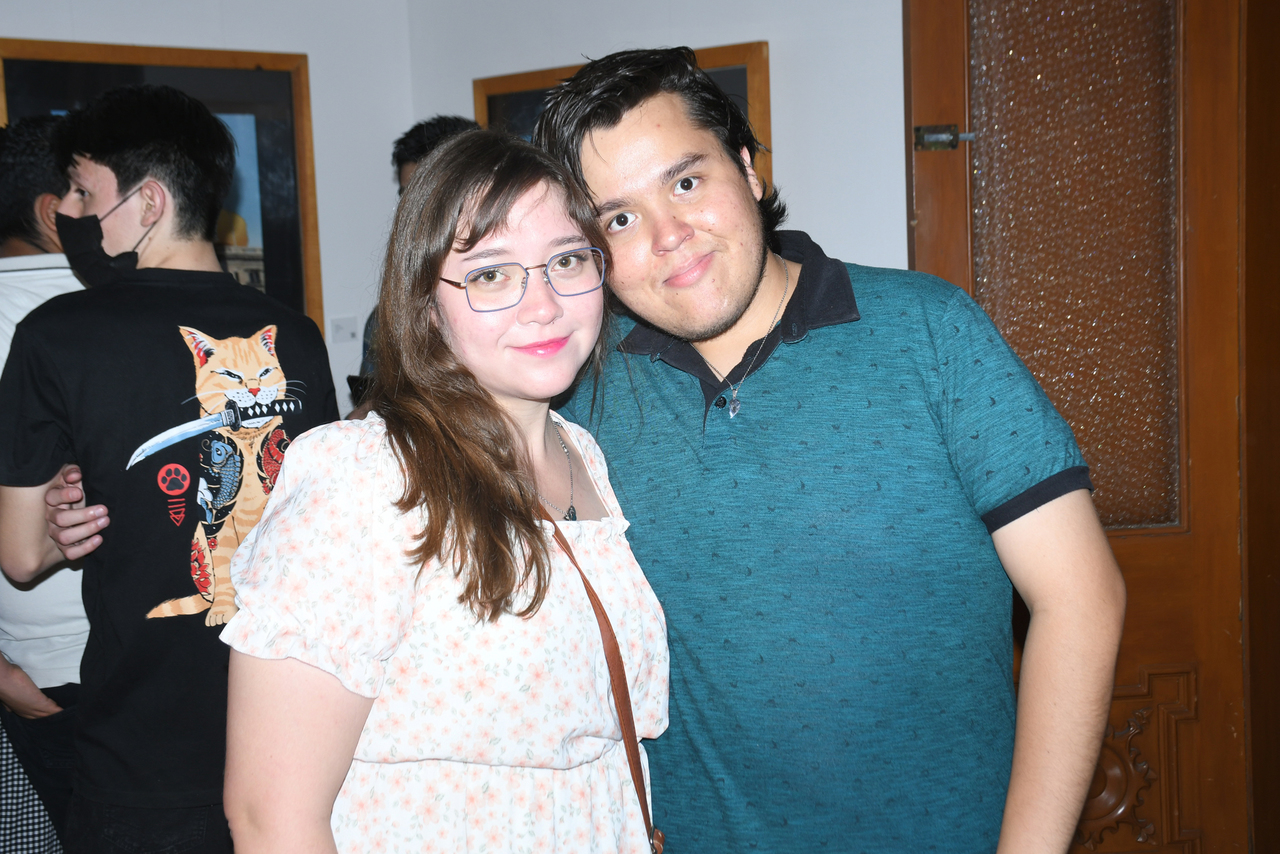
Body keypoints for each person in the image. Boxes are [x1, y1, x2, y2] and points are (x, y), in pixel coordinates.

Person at [534, 47, 1126, 853]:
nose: (669, 236)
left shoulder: (931, 334)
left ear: (747, 168)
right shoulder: (577, 396)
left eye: (686, 182)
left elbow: (1081, 598)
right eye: (620, 219)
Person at [220, 130, 668, 853]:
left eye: (566, 260)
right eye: (490, 274)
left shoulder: (581, 452)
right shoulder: (364, 477)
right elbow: (271, 817)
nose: (544, 305)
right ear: (427, 304)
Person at [0, 84, 337, 854]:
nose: (69, 213)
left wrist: (60, 522)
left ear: (148, 202)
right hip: (293, 727)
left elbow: (19, 557)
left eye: (85, 193)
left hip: (141, 751)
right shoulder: (292, 332)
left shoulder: (56, 335)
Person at [0, 115, 87, 851]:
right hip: (68, 664)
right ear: (53, 213)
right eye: (90, 195)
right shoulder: (100, 316)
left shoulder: (117, 309)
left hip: (43, 664)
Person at [348, 115, 480, 412]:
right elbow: (371, 406)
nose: (415, 211)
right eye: (407, 196)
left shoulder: (533, 303)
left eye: (430, 195)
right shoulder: (386, 319)